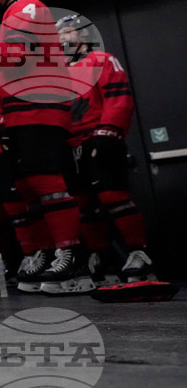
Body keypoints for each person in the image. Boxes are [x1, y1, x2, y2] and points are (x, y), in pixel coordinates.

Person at [0, 0, 91, 295]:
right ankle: (50, 251)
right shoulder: (11, 13)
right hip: (20, 108)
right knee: (26, 186)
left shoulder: (28, 7)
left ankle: (72, 254)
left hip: (40, 105)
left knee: (45, 181)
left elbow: (16, 59)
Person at [56, 14, 154, 282]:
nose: (62, 38)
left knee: (113, 197)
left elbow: (118, 98)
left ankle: (139, 253)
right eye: (59, 34)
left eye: (68, 32)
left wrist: (108, 133)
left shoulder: (101, 60)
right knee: (83, 204)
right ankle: (99, 255)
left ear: (83, 36)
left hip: (99, 139)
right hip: (71, 145)